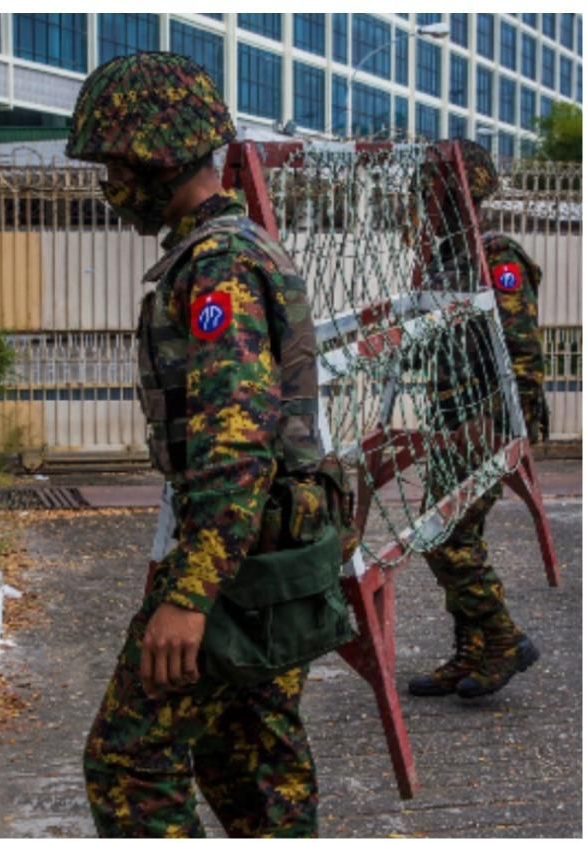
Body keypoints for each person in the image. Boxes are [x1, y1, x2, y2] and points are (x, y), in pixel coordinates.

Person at [67, 52, 346, 837]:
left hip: (238, 567)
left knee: (129, 763)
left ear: (156, 153)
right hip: (267, 555)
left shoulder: (219, 265)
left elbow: (236, 444)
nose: (110, 184)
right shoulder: (239, 247)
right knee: (253, 765)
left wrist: (188, 598)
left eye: (115, 164)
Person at [407, 139, 544, 699]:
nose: (427, 199)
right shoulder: (443, 259)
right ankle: (471, 653)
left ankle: (503, 637)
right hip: (449, 420)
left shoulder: (496, 255)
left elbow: (523, 351)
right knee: (461, 537)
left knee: (443, 536)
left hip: (484, 423)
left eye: (438, 189)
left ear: (470, 191)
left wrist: (510, 428)